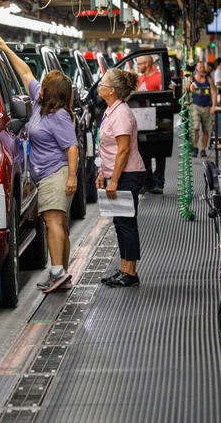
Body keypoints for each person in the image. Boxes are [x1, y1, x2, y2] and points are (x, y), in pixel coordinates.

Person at [0, 33, 79, 293]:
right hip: (50, 175)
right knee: (59, 224)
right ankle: (62, 274)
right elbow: (26, 72)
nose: (38, 86)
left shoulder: (59, 115)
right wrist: (6, 47)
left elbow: (72, 147)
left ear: (51, 91)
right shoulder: (40, 104)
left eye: (44, 85)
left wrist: (72, 177)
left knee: (53, 222)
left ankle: (56, 272)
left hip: (57, 173)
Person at [95, 68, 146, 287]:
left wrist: (114, 180)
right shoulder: (111, 111)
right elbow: (108, 148)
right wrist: (102, 173)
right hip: (117, 173)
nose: (99, 86)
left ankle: (131, 273)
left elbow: (123, 150)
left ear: (112, 91)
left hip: (127, 174)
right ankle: (124, 268)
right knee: (119, 222)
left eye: (102, 84)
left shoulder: (122, 114)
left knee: (126, 223)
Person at [135, 55, 165, 195]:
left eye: (139, 63)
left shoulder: (159, 78)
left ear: (147, 64)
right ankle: (147, 183)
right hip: (142, 121)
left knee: (159, 152)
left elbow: (164, 98)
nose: (137, 66)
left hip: (157, 120)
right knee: (144, 153)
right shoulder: (140, 79)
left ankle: (158, 183)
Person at [188, 61, 217, 158]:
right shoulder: (192, 80)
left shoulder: (209, 80)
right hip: (195, 106)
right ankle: (195, 147)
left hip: (207, 107)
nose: (202, 69)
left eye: (203, 67)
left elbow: (213, 92)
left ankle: (203, 149)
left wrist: (213, 106)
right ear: (196, 69)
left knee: (206, 130)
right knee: (195, 128)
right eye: (200, 67)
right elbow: (186, 90)